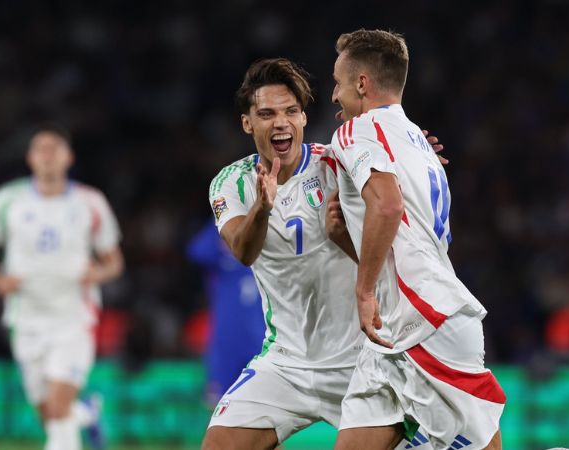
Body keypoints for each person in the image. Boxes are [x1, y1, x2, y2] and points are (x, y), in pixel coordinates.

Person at [201, 58, 442, 450]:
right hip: (285, 364)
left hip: (360, 362)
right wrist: (263, 207)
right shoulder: (231, 183)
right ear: (248, 123)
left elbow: (387, 180)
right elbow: (243, 252)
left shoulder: (336, 162)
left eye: (290, 111)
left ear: (302, 117)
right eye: (266, 114)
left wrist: (413, 155)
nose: (280, 122)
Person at [327, 30, 506, 450]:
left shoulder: (356, 132)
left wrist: (364, 290)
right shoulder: (418, 143)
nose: (333, 95)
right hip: (391, 331)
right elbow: (395, 231)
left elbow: (387, 207)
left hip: (425, 319)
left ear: (362, 83)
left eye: (337, 81)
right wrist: (343, 231)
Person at [0, 123, 124, 450]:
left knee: (58, 408)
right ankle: (86, 414)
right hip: (25, 318)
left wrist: (96, 273)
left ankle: (75, 418)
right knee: (49, 412)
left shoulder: (89, 202)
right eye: (39, 149)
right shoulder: (8, 200)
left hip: (72, 317)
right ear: (29, 158)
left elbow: (114, 262)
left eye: (54, 148)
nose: (47, 156)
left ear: (68, 157)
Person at [186, 221, 266, 405]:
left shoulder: (264, 253)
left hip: (259, 341)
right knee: (218, 405)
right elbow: (196, 251)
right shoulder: (222, 257)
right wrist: (224, 221)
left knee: (260, 405)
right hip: (225, 342)